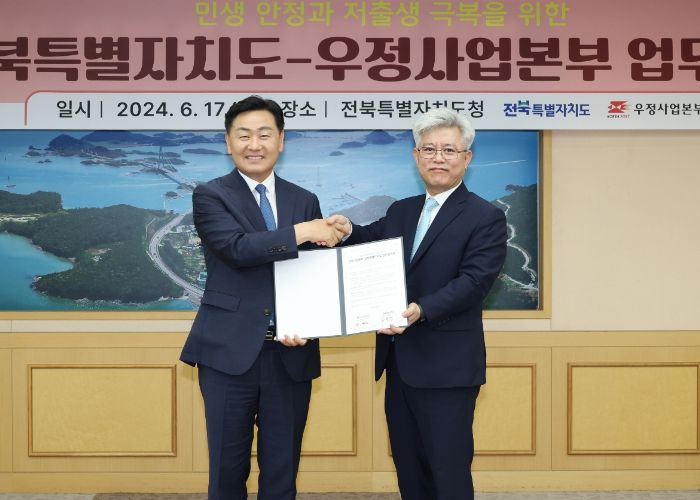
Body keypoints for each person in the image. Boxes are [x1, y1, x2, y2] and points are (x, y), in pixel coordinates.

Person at [331, 107, 508, 500]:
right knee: (409, 469)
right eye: (429, 149)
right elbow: (371, 241)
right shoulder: (402, 210)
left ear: (467, 158)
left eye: (449, 150)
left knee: (448, 472)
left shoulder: (486, 217)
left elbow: (474, 283)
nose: (438, 158)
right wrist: (346, 230)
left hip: (448, 368)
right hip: (399, 363)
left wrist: (421, 309)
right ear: (416, 156)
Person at [180, 95, 344, 500]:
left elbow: (313, 272)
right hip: (228, 353)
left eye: (265, 134)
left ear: (281, 141)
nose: (254, 144)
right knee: (227, 471)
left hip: (291, 353)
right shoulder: (211, 195)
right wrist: (304, 231)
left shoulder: (303, 199)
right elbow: (237, 249)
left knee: (282, 473)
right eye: (244, 135)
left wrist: (310, 321)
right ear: (228, 142)